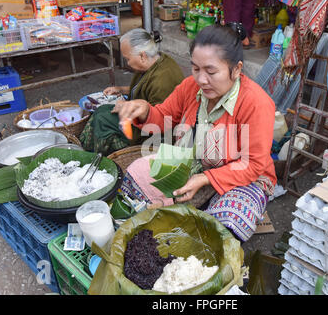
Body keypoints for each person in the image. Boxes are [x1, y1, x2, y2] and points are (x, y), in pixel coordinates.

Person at [113, 25, 277, 243]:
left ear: (236, 69)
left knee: (225, 224)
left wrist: (205, 178)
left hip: (244, 177)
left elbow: (254, 165)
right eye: (195, 69)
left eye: (211, 72)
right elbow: (163, 115)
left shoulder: (256, 103)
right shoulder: (190, 87)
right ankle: (185, 208)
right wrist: (144, 111)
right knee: (136, 172)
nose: (201, 79)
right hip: (198, 161)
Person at [79, 28, 185, 156]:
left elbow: (159, 123)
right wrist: (121, 89)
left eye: (127, 59)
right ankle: (87, 150)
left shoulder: (163, 80)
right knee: (101, 110)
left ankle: (103, 158)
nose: (128, 63)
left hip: (153, 133)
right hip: (143, 119)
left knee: (103, 119)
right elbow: (143, 87)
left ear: (142, 56)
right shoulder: (155, 61)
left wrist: (126, 108)